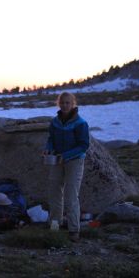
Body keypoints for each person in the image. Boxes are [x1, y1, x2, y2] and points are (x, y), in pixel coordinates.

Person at [44, 92, 90, 242]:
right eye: (62, 102)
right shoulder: (55, 122)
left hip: (74, 161)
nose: (65, 105)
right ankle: (55, 225)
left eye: (68, 103)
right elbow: (51, 139)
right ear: (58, 103)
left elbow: (84, 145)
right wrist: (48, 149)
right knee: (54, 193)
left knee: (71, 195)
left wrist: (66, 155)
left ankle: (74, 230)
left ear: (73, 104)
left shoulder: (80, 123)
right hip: (57, 159)